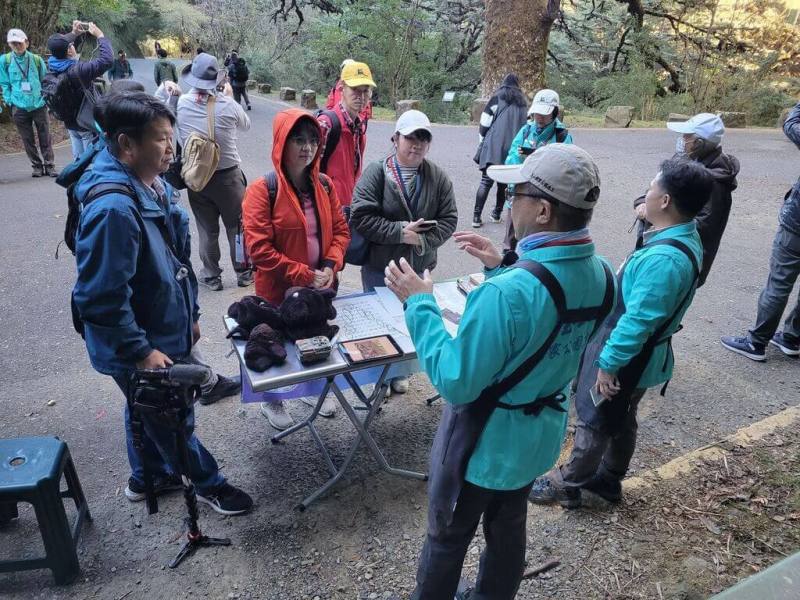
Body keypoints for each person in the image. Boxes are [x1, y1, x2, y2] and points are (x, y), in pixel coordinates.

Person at [384, 144, 614, 599]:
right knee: (508, 529)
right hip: (536, 437)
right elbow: (551, 316)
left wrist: (419, 304)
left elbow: (456, 381)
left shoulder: (505, 295)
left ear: (543, 210)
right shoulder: (604, 274)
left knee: (448, 536)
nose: (509, 203)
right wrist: (506, 264)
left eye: (516, 195)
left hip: (482, 446)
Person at [72, 92, 251, 514]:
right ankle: (208, 484)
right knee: (170, 415)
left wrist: (190, 316)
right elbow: (100, 297)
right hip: (137, 340)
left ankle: (147, 477)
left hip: (160, 325)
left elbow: (175, 261)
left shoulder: (150, 183)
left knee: (143, 406)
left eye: (172, 137)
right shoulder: (114, 210)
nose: (172, 148)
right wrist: (141, 352)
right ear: (126, 144)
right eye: (160, 139)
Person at [529, 157, 712, 509]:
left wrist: (608, 365)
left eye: (652, 187)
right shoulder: (682, 235)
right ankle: (610, 477)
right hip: (639, 354)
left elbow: (637, 322)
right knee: (622, 414)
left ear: (665, 201)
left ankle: (568, 483)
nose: (648, 191)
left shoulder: (664, 261)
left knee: (594, 417)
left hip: (626, 355)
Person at [242, 109, 351, 430]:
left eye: (313, 141)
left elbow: (341, 231)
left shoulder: (325, 185)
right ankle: (272, 400)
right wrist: (304, 275)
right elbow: (259, 249)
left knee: (314, 341)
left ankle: (311, 390)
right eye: (298, 140)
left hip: (319, 289)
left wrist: (330, 265)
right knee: (272, 346)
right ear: (281, 142)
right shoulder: (263, 190)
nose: (307, 148)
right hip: (277, 292)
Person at [350, 109, 458, 395]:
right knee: (379, 323)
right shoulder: (377, 173)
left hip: (418, 266)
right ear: (396, 138)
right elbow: (361, 216)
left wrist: (421, 240)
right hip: (380, 267)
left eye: (423, 138)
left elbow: (449, 219)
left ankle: (400, 372)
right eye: (411, 137)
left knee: (410, 321)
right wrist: (400, 232)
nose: (417, 144)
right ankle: (379, 376)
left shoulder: (437, 177)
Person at [721, 103, 800, 361]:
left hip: (797, 224)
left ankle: (757, 342)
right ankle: (792, 337)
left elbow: (791, 124)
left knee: (779, 281)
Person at [634, 113, 739, 287]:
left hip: (674, 260)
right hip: (659, 252)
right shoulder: (685, 160)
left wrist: (654, 216)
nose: (682, 140)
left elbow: (702, 225)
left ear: (700, 143)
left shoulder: (714, 182)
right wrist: (642, 203)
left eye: (687, 136)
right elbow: (657, 187)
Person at [176, 52, 252, 291]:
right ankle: (244, 272)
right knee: (237, 228)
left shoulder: (181, 103)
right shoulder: (227, 104)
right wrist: (228, 97)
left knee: (207, 229)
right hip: (229, 177)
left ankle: (211, 276)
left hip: (197, 177)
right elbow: (246, 125)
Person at [502, 89, 573, 252]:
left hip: (545, 196)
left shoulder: (562, 136)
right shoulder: (526, 130)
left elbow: (566, 167)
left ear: (554, 113)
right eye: (536, 113)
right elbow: (511, 158)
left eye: (543, 114)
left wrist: (541, 157)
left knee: (538, 238)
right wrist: (521, 161)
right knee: (511, 238)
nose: (539, 117)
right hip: (519, 190)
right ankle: (507, 262)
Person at [46, 21, 113, 160]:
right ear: (69, 51)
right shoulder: (79, 71)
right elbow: (107, 60)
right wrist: (100, 36)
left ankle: (78, 171)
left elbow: (59, 45)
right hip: (86, 122)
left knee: (78, 159)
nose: (72, 45)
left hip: (69, 121)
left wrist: (74, 33)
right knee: (91, 159)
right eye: (71, 44)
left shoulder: (51, 65)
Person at [316, 60, 375, 217]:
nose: (361, 97)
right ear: (342, 88)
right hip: (325, 209)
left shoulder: (359, 128)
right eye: (355, 89)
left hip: (347, 210)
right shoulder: (326, 124)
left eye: (365, 91)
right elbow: (308, 171)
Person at [471, 73, 528, 228]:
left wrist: (482, 143)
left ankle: (476, 217)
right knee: (503, 183)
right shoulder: (523, 103)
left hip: (494, 145)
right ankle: (496, 214)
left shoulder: (497, 97)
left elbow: (485, 122)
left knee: (486, 181)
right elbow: (526, 127)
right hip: (513, 148)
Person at [1, 28, 56, 177]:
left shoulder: (36, 60)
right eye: (13, 43)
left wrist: (45, 99)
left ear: (26, 42)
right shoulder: (5, 60)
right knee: (27, 139)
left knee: (45, 136)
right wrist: (9, 100)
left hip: (39, 104)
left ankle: (49, 165)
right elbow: (4, 83)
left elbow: (45, 81)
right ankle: (37, 166)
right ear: (9, 44)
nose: (17, 46)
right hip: (18, 106)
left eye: (19, 43)